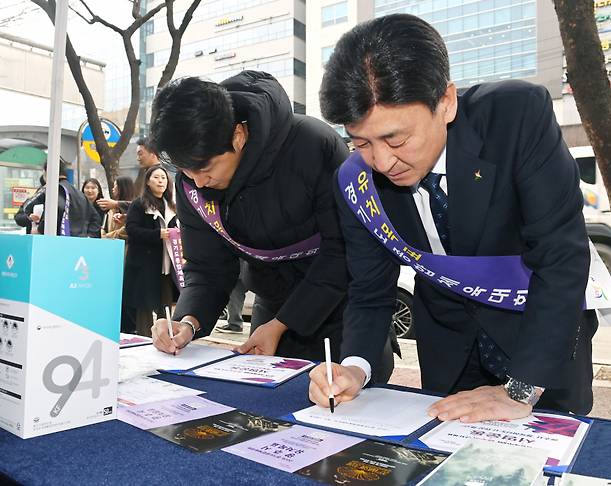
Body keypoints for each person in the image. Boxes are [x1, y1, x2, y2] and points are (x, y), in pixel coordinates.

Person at [308, 14, 596, 422]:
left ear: (445, 102)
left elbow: (560, 257)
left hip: (540, 343)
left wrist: (521, 388)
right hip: (447, 348)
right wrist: (354, 368)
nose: (383, 162)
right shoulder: (354, 180)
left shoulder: (516, 118)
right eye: (361, 143)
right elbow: (370, 290)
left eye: (397, 138)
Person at [148, 72, 394, 377]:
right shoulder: (192, 184)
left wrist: (284, 323)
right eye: (187, 172)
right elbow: (208, 268)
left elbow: (342, 249)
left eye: (206, 168)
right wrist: (187, 321)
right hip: (271, 312)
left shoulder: (312, 146)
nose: (199, 181)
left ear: (237, 136)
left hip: (342, 310)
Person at [122, 165, 178, 335]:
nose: (161, 181)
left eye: (163, 178)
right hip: (144, 263)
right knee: (144, 305)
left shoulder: (171, 205)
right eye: (156, 177)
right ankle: (145, 338)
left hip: (166, 263)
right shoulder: (139, 204)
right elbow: (131, 230)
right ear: (147, 181)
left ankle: (165, 336)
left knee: (165, 302)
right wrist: (157, 234)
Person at [23, 160, 101, 237]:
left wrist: (39, 229)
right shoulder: (80, 195)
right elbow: (96, 218)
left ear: (47, 172)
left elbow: (27, 206)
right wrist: (88, 237)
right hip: (77, 243)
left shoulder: (52, 189)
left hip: (56, 241)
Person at [97, 138, 160, 219]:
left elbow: (150, 205)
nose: (138, 158)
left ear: (153, 154)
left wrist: (117, 204)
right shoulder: (147, 173)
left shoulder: (158, 174)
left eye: (140, 154)